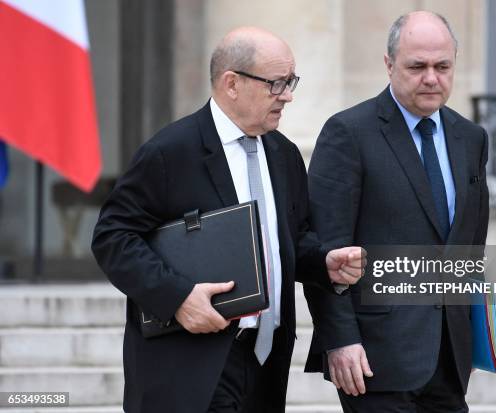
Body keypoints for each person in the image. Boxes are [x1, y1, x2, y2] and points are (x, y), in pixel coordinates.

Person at [91, 27, 365, 413]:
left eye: (291, 82)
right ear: (231, 83)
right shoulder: (170, 151)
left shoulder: (283, 155)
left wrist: (322, 262)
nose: (287, 95)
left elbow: (288, 238)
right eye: (276, 83)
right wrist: (178, 297)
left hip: (264, 365)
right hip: (190, 366)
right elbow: (112, 237)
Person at [303, 11, 489, 413]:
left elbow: (470, 247)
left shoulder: (471, 138)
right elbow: (324, 249)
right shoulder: (348, 133)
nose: (431, 78)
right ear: (389, 65)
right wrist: (340, 338)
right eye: (417, 66)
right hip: (373, 358)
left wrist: (471, 337)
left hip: (448, 358)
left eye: (442, 66)